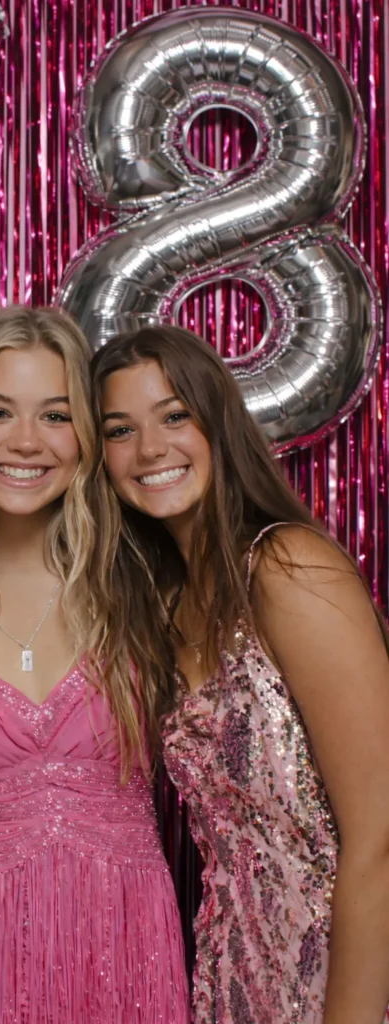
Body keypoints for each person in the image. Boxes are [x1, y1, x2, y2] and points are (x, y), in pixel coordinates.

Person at [0, 306, 190, 1023]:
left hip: (125, 937)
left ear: (85, 434)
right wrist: (0, 831)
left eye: (54, 415)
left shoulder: (142, 583)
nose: (26, 441)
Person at [91, 322, 389, 1024]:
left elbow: (379, 837)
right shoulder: (163, 606)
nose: (150, 449)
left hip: (348, 975)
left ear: (218, 426)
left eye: (173, 416)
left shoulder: (287, 568)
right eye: (119, 430)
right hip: (238, 979)